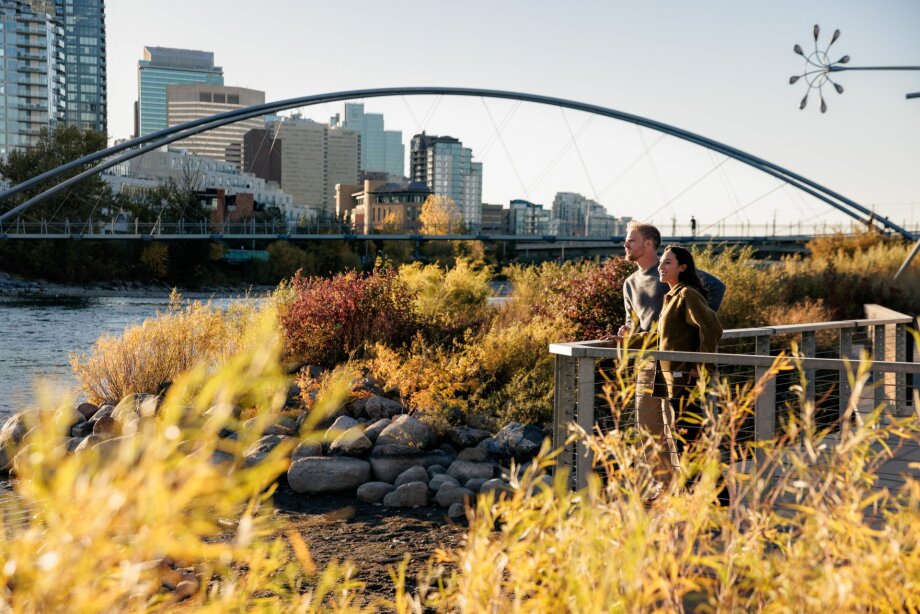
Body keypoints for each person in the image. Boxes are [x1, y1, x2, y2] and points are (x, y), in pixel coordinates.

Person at [617, 222, 724, 497]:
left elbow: (715, 288)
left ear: (649, 243)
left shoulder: (670, 275)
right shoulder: (630, 283)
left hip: (676, 364)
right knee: (649, 426)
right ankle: (668, 486)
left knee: (680, 427)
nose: (626, 245)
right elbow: (638, 323)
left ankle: (701, 491)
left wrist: (692, 331)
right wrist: (626, 334)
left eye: (631, 240)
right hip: (648, 361)